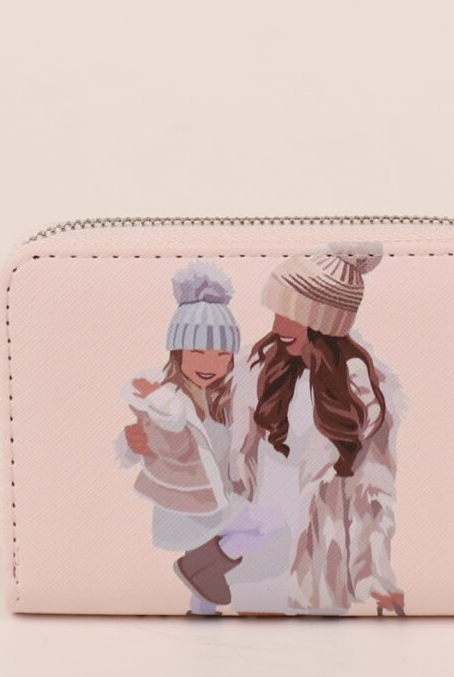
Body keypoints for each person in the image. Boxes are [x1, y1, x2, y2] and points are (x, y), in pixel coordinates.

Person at [174, 242, 407, 616]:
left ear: (325, 321)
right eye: (278, 312)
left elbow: (373, 495)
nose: (278, 327)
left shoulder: (365, 395)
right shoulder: (252, 371)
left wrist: (376, 578)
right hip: (253, 546)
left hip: (316, 557)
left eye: (293, 315)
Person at [115, 261, 240, 615]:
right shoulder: (166, 400)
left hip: (219, 493)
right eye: (197, 352)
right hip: (188, 502)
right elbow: (159, 437)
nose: (210, 364)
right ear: (178, 352)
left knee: (206, 574)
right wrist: (135, 443)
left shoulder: (228, 396)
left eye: (221, 354)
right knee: (255, 527)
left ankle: (201, 609)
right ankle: (200, 598)